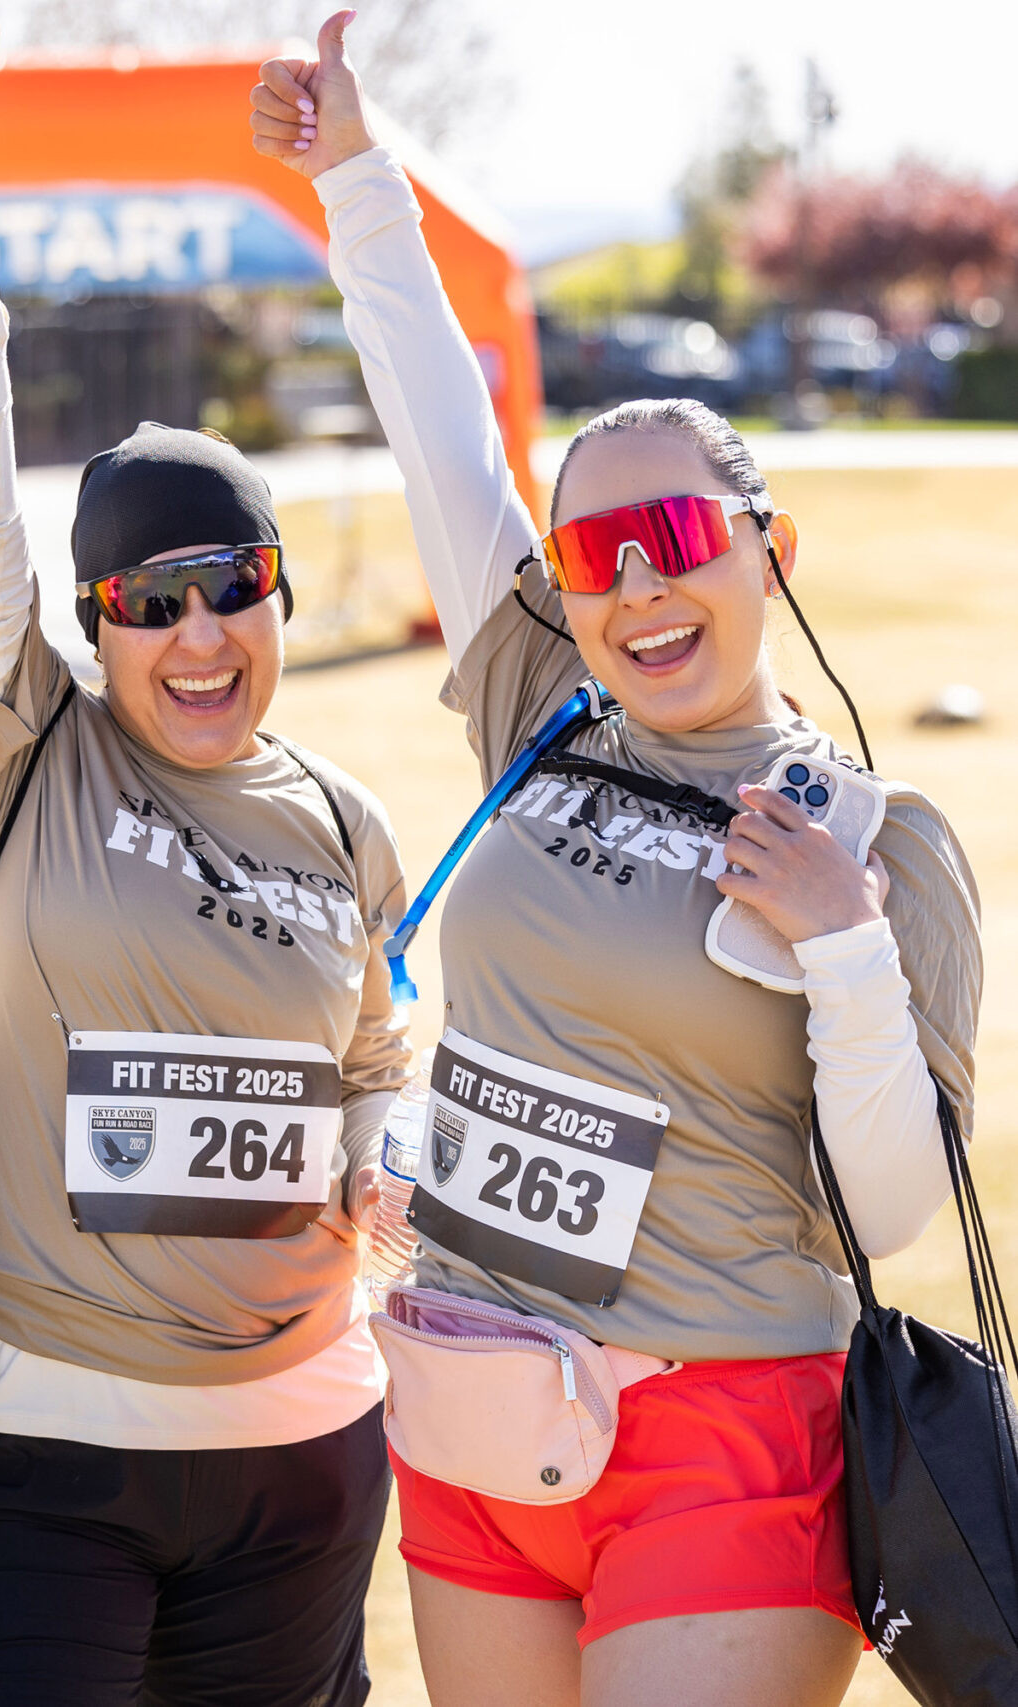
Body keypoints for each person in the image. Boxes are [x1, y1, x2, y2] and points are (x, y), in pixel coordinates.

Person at [250, 16, 981, 1707]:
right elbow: (442, 435)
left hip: (724, 1425)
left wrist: (845, 948)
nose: (634, 589)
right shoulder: (542, 703)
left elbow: (886, 1212)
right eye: (590, 557)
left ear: (766, 551)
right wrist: (355, 176)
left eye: (671, 539)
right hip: (476, 1405)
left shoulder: (876, 840)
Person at [0, 25, 411, 1706]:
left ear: (276, 591)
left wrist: (384, 1154)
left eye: (229, 582)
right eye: (144, 599)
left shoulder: (343, 818)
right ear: (94, 625)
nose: (195, 630)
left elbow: (372, 1059)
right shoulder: (19, 751)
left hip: (303, 1452)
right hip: (41, 1452)